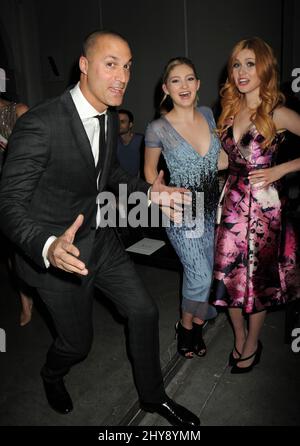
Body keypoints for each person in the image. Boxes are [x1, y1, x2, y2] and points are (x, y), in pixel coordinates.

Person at [0, 30, 199, 426]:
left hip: (100, 241)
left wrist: (148, 193)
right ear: (85, 66)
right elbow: (8, 205)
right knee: (77, 345)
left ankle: (152, 396)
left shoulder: (108, 116)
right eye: (111, 65)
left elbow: (108, 174)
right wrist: (47, 245)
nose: (122, 77)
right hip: (59, 258)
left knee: (143, 311)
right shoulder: (41, 124)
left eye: (127, 67)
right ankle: (51, 373)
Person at [212, 37, 300, 373]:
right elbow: (223, 159)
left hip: (264, 210)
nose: (241, 71)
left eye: (250, 64)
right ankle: (238, 336)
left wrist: (282, 168)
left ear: (263, 68)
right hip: (231, 203)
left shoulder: (276, 112)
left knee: (257, 281)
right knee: (226, 277)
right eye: (237, 64)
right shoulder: (230, 109)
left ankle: (252, 342)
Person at [144, 57, 227, 359]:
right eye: (176, 80)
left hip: (211, 210)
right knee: (201, 276)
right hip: (182, 212)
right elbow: (150, 173)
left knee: (202, 275)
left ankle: (195, 323)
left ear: (198, 84)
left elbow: (219, 161)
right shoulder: (157, 128)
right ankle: (187, 326)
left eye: (190, 79)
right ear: (165, 88)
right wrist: (160, 196)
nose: (184, 86)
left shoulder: (207, 114)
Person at [0, 96, 33, 326]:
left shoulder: (18, 111)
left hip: (24, 189)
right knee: (11, 251)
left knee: (27, 246)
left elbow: (36, 151)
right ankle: (25, 302)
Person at [117, 109, 144, 177]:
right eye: (117, 121)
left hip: (139, 183)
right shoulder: (113, 142)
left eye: (122, 122)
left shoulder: (141, 140)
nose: (118, 124)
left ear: (130, 124)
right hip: (122, 182)